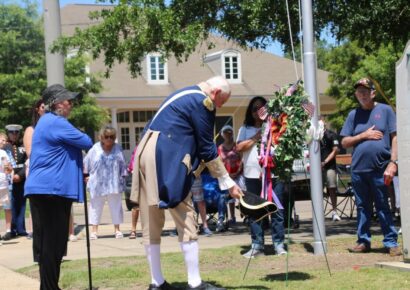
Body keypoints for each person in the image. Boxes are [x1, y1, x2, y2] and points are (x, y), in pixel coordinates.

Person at [130, 76, 243, 290]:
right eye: (222, 102)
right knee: (186, 216)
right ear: (216, 92)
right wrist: (228, 181)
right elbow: (207, 147)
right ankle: (195, 283)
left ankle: (157, 282)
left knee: (151, 219)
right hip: (166, 158)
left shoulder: (182, 94)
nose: (220, 107)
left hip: (146, 154)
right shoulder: (203, 102)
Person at [25, 84, 93, 289]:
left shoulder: (47, 122)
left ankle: (49, 286)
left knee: (51, 244)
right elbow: (87, 141)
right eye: (67, 100)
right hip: (51, 190)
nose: (70, 104)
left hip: (46, 190)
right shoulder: (56, 123)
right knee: (53, 245)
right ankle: (49, 287)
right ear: (56, 103)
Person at [340, 78, 401, 256]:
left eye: (366, 91)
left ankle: (391, 242)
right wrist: (363, 135)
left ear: (373, 93)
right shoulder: (353, 115)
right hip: (359, 169)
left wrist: (393, 162)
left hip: (381, 167)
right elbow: (344, 141)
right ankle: (363, 241)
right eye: (359, 91)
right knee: (362, 207)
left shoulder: (386, 110)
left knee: (383, 205)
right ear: (356, 95)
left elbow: (395, 138)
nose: (363, 94)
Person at [236, 96, 287, 258]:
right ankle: (257, 245)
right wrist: (256, 137)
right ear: (250, 112)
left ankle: (279, 244)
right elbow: (239, 147)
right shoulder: (245, 128)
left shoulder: (275, 127)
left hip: (273, 175)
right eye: (254, 108)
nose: (258, 112)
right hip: (251, 176)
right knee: (254, 212)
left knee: (277, 210)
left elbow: (281, 148)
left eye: (261, 108)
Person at [84, 126, 127, 240]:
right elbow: (86, 163)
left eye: (112, 137)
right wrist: (86, 176)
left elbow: (123, 165)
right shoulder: (95, 148)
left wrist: (123, 179)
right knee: (95, 207)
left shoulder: (118, 148)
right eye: (106, 137)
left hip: (114, 183)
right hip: (97, 183)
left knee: (116, 207)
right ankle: (94, 231)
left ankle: (117, 230)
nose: (109, 139)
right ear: (101, 137)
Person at [23, 98, 46, 239]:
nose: (45, 110)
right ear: (37, 109)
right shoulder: (31, 130)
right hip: (36, 170)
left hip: (52, 172)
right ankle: (34, 231)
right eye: (43, 107)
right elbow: (30, 152)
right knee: (37, 204)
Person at [3, 124, 27, 239]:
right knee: (11, 204)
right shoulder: (4, 147)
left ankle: (21, 229)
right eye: (12, 133)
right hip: (9, 180)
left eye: (16, 133)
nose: (14, 135)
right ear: (8, 133)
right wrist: (11, 176)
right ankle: (11, 229)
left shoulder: (23, 146)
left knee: (21, 204)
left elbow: (27, 162)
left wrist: (20, 175)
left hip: (21, 178)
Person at [217, 125, 245, 226]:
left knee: (242, 194)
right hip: (227, 176)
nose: (228, 134)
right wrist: (228, 174)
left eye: (229, 132)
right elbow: (219, 162)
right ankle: (232, 217)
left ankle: (245, 215)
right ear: (222, 134)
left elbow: (242, 159)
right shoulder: (220, 148)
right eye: (225, 132)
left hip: (239, 174)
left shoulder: (237, 146)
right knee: (230, 197)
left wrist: (237, 172)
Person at [319, 116, 341, 221]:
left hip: (329, 166)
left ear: (324, 122)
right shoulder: (314, 136)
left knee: (332, 187)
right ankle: (319, 212)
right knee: (318, 190)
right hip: (317, 168)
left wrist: (325, 162)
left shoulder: (331, 134)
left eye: (321, 121)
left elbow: (335, 150)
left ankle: (334, 211)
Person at [0, 132, 13, 242]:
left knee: (7, 206)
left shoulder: (3, 152)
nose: (4, 143)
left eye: (5, 141)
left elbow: (8, 169)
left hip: (3, 183)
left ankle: (8, 230)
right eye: (2, 140)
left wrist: (8, 168)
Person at [127, 146, 140, 239]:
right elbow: (132, 166)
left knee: (152, 207)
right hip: (138, 178)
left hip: (152, 178)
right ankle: (133, 230)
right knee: (136, 206)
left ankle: (151, 230)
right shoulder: (137, 148)